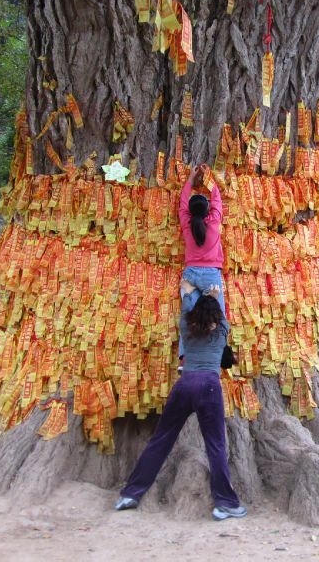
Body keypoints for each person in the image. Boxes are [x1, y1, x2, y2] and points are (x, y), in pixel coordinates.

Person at [115, 281, 247, 521]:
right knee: (216, 445)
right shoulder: (221, 332)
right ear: (216, 319)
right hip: (209, 387)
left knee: (161, 439)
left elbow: (187, 304)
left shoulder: (186, 328)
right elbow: (221, 314)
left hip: (184, 385)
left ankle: (131, 494)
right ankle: (225, 504)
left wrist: (188, 291)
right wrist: (214, 295)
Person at [178, 163, 226, 362]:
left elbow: (182, 202)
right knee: (218, 314)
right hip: (211, 276)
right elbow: (217, 199)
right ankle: (217, 355)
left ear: (190, 211)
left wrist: (190, 179)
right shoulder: (214, 222)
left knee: (189, 314)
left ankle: (185, 357)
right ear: (208, 211)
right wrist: (208, 178)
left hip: (190, 274)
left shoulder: (186, 224)